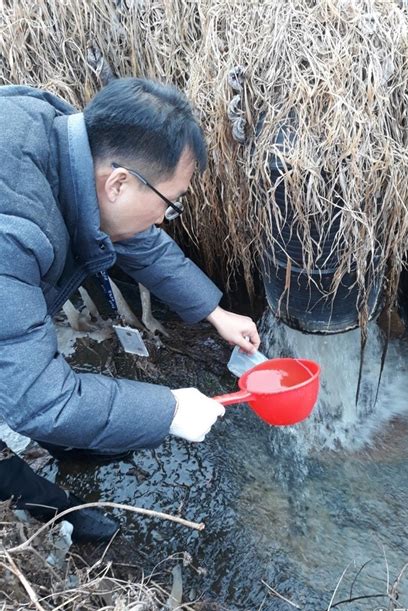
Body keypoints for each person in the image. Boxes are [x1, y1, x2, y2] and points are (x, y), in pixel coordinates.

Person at [0, 78, 260, 542]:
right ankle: (56, 512)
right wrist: (168, 410)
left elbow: (137, 238)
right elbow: (39, 398)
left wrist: (215, 312)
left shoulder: (60, 138)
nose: (163, 219)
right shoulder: (13, 235)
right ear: (119, 182)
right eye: (168, 204)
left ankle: (74, 446)